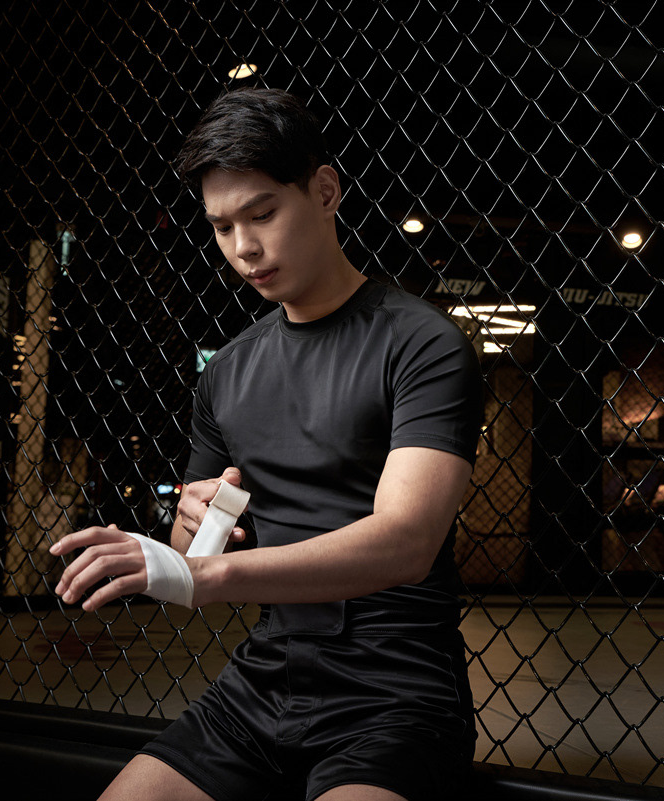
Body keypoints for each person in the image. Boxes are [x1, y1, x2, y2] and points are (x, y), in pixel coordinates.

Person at [50, 87, 483, 801]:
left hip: (395, 693)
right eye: (221, 226)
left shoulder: (421, 343)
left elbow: (407, 542)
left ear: (324, 192)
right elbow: (196, 550)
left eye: (262, 214)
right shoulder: (227, 372)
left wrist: (211, 575)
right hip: (263, 684)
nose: (243, 248)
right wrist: (194, 529)